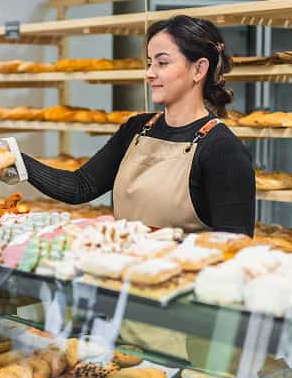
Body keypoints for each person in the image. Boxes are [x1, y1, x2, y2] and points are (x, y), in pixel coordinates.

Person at [19, 14, 255, 235]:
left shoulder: (223, 149)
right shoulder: (137, 128)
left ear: (199, 69)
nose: (149, 74)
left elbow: (234, 247)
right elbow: (80, 186)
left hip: (179, 277)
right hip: (124, 274)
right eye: (149, 63)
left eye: (162, 63)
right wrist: (16, 161)